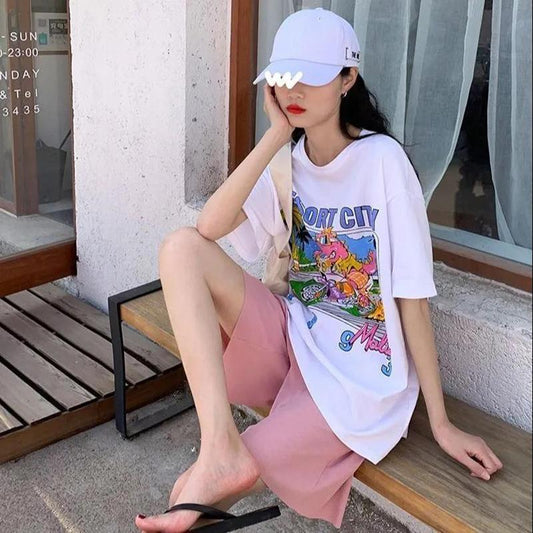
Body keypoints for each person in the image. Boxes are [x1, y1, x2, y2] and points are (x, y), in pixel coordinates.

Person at [135, 7, 503, 533]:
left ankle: (224, 464)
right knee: (179, 248)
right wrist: (274, 137)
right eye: (285, 78)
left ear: (348, 78)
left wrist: (441, 423)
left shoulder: (383, 163)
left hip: (359, 381)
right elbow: (208, 228)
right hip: (295, 340)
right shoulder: (289, 161)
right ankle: (217, 443)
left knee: (199, 493)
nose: (294, 91)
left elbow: (411, 299)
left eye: (311, 76)